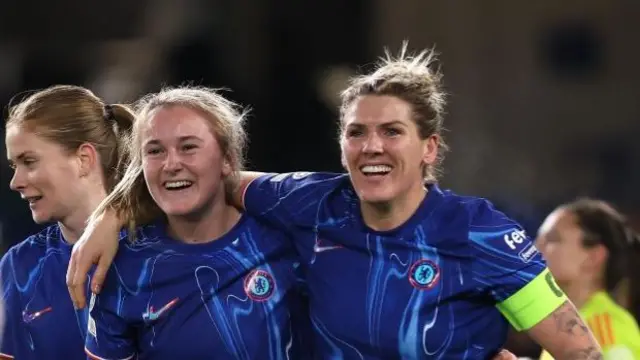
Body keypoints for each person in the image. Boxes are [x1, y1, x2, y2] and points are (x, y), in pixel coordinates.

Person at [68, 46, 602, 359]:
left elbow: (582, 351)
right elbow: (207, 175)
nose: (372, 146)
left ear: (429, 148)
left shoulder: (478, 232)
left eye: (392, 131)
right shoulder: (309, 202)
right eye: (356, 132)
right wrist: (109, 216)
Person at [82, 87, 310, 360]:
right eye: (155, 151)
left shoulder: (287, 244)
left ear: (228, 160)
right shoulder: (123, 265)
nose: (171, 164)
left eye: (188, 147)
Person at [0, 85, 134, 360]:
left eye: (29, 161)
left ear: (84, 159)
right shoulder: (20, 266)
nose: (16, 182)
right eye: (15, 166)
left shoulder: (158, 250)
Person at [536, 198, 640, 359]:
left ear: (593, 257)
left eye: (553, 239)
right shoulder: (567, 327)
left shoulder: (603, 326)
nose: (536, 248)